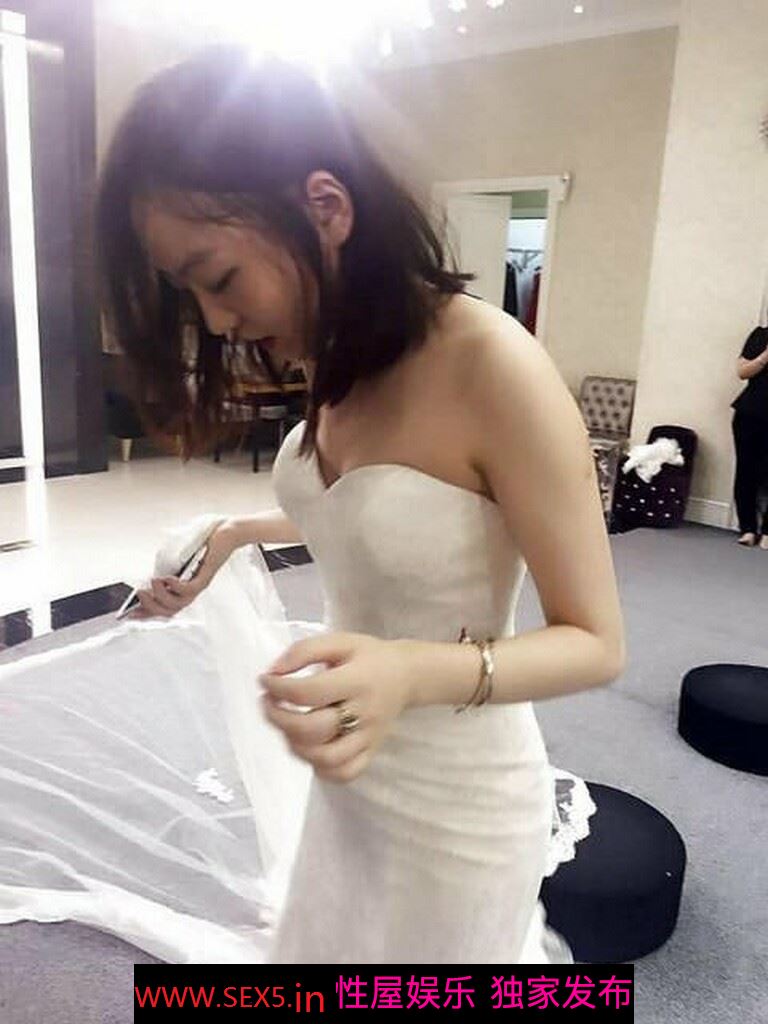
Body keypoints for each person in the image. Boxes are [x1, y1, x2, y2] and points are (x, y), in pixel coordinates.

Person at [95, 47, 625, 964]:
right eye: (189, 292)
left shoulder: (494, 366)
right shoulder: (333, 359)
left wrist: (407, 673)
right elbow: (382, 518)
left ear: (326, 208)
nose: (216, 322)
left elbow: (598, 642)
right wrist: (234, 534)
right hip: (349, 776)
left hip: (459, 809)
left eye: (218, 278)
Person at [731, 324, 768, 548]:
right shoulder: (760, 335)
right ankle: (748, 528)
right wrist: (765, 356)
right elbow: (742, 372)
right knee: (746, 471)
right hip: (750, 413)